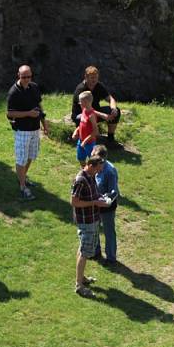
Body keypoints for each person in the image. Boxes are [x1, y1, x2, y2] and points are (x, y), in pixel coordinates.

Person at [70, 156, 112, 297]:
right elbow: (74, 202)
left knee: (84, 248)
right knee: (85, 251)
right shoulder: (80, 180)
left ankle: (81, 277)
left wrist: (102, 198)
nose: (99, 172)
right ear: (91, 166)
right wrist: (95, 202)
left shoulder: (91, 176)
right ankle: (79, 286)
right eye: (98, 169)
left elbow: (94, 193)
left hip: (92, 219)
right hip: (86, 221)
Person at [7, 65, 49, 200]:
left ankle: (22, 178)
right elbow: (9, 113)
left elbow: (39, 106)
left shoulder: (34, 87)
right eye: (24, 77)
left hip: (35, 128)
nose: (26, 79)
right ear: (18, 75)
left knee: (31, 155)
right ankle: (23, 187)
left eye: (29, 77)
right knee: (21, 158)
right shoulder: (14, 92)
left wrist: (44, 124)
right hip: (22, 130)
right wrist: (28, 114)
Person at [70, 66, 122, 149]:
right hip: (81, 115)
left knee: (117, 112)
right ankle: (86, 141)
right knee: (89, 117)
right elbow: (85, 110)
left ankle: (110, 139)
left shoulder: (98, 86)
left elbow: (110, 98)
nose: (94, 80)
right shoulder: (80, 89)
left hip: (94, 113)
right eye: (92, 78)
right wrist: (102, 115)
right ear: (86, 77)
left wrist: (113, 109)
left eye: (96, 78)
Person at [91, 144, 120, 264]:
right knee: (95, 228)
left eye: (94, 156)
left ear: (102, 159)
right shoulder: (95, 167)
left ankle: (111, 257)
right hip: (96, 204)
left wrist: (103, 200)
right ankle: (96, 251)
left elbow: (113, 192)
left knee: (108, 231)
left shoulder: (110, 171)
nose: (91, 158)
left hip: (107, 206)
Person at [72, 91, 99, 167]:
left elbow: (96, 131)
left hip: (89, 143)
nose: (79, 103)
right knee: (81, 158)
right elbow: (81, 124)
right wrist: (76, 131)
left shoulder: (91, 115)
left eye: (80, 101)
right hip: (81, 141)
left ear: (86, 102)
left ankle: (94, 175)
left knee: (93, 161)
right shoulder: (84, 110)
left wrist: (85, 141)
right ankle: (85, 172)